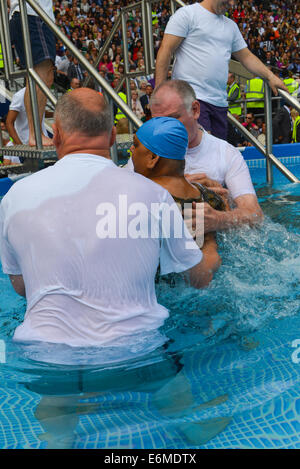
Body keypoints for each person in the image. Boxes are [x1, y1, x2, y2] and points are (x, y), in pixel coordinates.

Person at [0, 88, 217, 348]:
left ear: (55, 134)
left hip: (44, 354)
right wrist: (211, 239)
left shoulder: (14, 197)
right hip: (135, 349)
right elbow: (199, 279)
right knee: (186, 387)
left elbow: (22, 287)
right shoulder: (152, 195)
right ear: (113, 136)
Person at [155, 0, 288, 140]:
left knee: (215, 155)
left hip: (219, 103)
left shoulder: (231, 26)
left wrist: (270, 76)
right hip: (191, 97)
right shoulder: (187, 14)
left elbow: (246, 56)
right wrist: (159, 93)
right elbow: (166, 50)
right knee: (202, 151)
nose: (231, 3)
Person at [148, 80, 263, 233]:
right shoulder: (145, 154)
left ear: (195, 110)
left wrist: (218, 219)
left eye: (173, 119)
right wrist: (178, 186)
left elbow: (255, 215)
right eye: (159, 121)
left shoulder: (226, 153)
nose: (165, 129)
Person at [8, 0, 56, 147]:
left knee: (40, 76)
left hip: (30, 14)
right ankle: (35, 134)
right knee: (42, 75)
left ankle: (35, 133)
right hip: (32, 14)